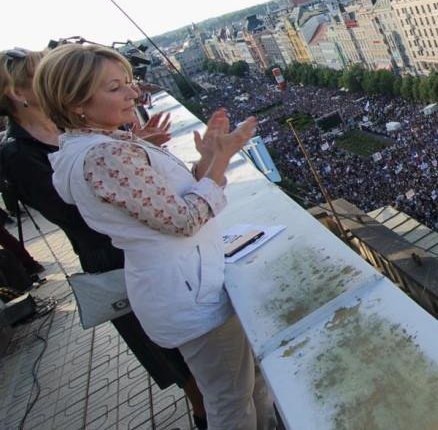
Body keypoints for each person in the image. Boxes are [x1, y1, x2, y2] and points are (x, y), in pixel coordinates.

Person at [32, 44, 269, 430]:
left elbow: (169, 199)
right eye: (115, 88)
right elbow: (183, 219)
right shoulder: (105, 155)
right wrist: (223, 160)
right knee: (229, 401)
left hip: (181, 284)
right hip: (190, 293)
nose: (133, 94)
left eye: (128, 83)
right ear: (74, 102)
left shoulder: (89, 148)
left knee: (240, 386)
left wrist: (208, 158)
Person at [0, 47, 211, 426]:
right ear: (19, 93)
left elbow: (111, 186)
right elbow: (77, 209)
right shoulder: (18, 151)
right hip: (113, 255)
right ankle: (204, 417)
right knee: (186, 367)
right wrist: (130, 174)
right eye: (41, 74)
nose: (51, 78)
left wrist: (138, 155)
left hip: (141, 245)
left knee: (199, 364)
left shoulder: (70, 133)